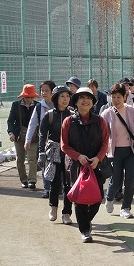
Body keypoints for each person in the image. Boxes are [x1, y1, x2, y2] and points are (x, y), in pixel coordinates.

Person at [61, 87, 110, 243]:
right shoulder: (68, 121)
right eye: (81, 97)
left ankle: (86, 220)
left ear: (93, 102)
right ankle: (85, 230)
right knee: (80, 198)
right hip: (76, 165)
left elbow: (105, 143)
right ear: (75, 102)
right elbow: (65, 145)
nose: (85, 100)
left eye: (88, 98)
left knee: (98, 197)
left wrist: (98, 158)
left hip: (96, 165)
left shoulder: (100, 120)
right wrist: (78, 156)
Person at [101, 83, 134, 219]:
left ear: (125, 97)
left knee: (130, 181)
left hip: (131, 151)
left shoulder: (132, 111)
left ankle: (126, 208)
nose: (116, 100)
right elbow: (102, 135)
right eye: (113, 97)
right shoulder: (106, 114)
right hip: (114, 152)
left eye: (118, 97)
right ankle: (109, 198)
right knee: (116, 180)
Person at [39, 86, 74, 225]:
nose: (65, 99)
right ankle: (53, 208)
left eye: (67, 96)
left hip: (69, 153)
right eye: (62, 96)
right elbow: (42, 135)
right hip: (53, 153)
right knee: (54, 182)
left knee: (69, 184)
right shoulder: (49, 115)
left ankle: (66, 213)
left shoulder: (72, 115)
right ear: (55, 99)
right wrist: (41, 153)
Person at [25, 80, 56, 198]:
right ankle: (47, 189)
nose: (43, 93)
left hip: (59, 141)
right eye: (42, 90)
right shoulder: (39, 107)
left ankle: (59, 187)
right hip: (44, 141)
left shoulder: (59, 104)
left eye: (46, 90)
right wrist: (28, 140)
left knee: (59, 165)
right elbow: (32, 124)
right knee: (44, 164)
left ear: (53, 92)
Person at [7, 84, 41, 189]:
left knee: (32, 158)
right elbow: (10, 121)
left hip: (33, 136)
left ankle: (32, 181)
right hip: (19, 136)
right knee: (20, 159)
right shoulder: (15, 105)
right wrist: (11, 132)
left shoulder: (38, 106)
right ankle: (24, 180)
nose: (29, 99)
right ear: (23, 96)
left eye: (31, 97)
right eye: (27, 97)